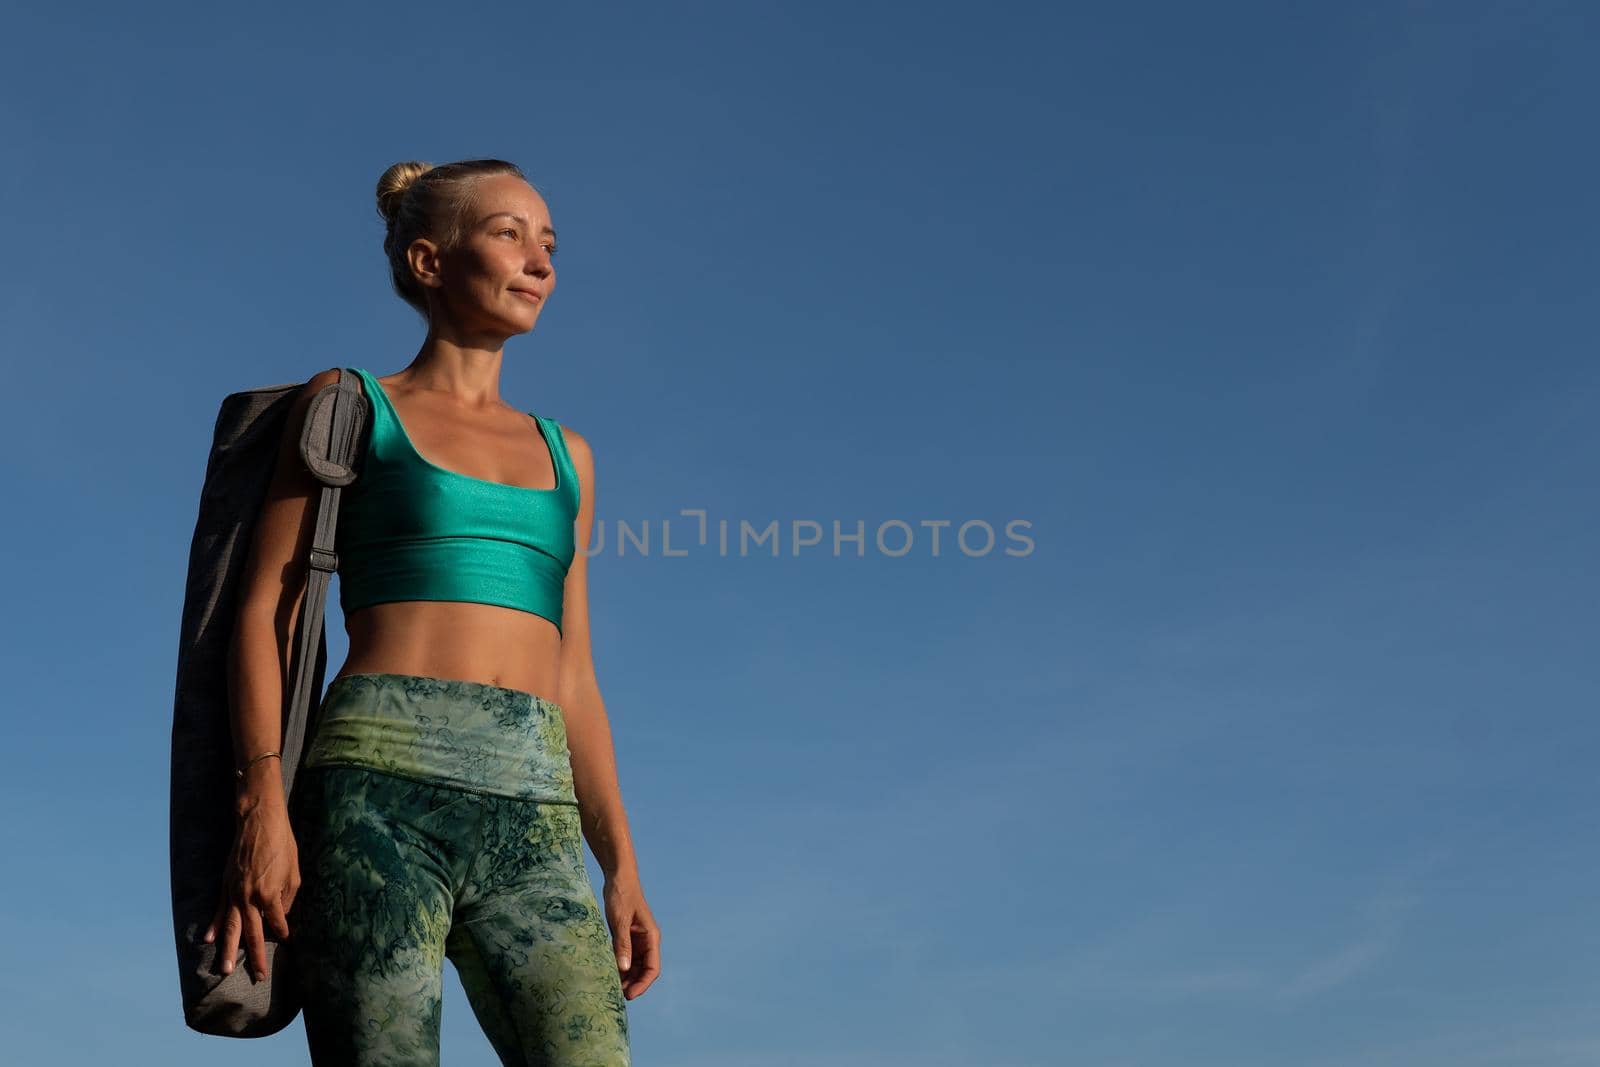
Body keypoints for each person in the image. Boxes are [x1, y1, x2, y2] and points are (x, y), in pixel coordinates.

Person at [202, 158, 657, 1065]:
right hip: (377, 788)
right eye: (509, 234)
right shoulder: (350, 406)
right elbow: (270, 613)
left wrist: (621, 862)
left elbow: (574, 673)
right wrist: (262, 804)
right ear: (428, 260)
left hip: (536, 805)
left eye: (550, 244)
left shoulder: (569, 455)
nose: (540, 261)